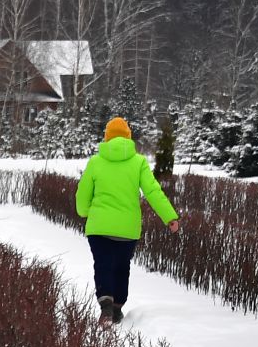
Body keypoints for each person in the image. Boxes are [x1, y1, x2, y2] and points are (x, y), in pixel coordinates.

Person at [74, 117, 179, 324]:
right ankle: (117, 307)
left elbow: (82, 193)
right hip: (127, 230)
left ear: (107, 138)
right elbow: (152, 191)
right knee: (122, 267)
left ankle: (105, 304)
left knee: (102, 265)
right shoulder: (138, 162)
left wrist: (84, 211)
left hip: (99, 227)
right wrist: (170, 217)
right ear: (128, 137)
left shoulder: (95, 162)